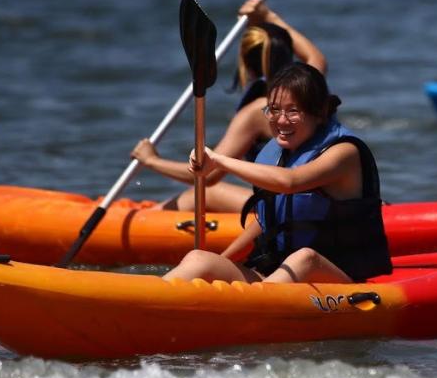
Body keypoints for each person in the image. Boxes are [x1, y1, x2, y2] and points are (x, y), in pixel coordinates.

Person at [162, 63, 391, 284]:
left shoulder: (343, 153)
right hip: (278, 276)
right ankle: (138, 308)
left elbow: (290, 182)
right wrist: (222, 260)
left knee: (304, 258)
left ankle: (255, 308)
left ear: (319, 113)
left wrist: (219, 161)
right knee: (198, 258)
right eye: (274, 110)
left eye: (293, 111)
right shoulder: (281, 152)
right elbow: (267, 222)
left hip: (336, 277)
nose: (281, 120)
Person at [131, 0, 327, 211]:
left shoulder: (260, 111)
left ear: (245, 64)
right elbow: (316, 57)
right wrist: (268, 16)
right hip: (322, 196)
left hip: (291, 204)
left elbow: (208, 175)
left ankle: (147, 218)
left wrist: (151, 160)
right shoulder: (310, 88)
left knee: (207, 193)